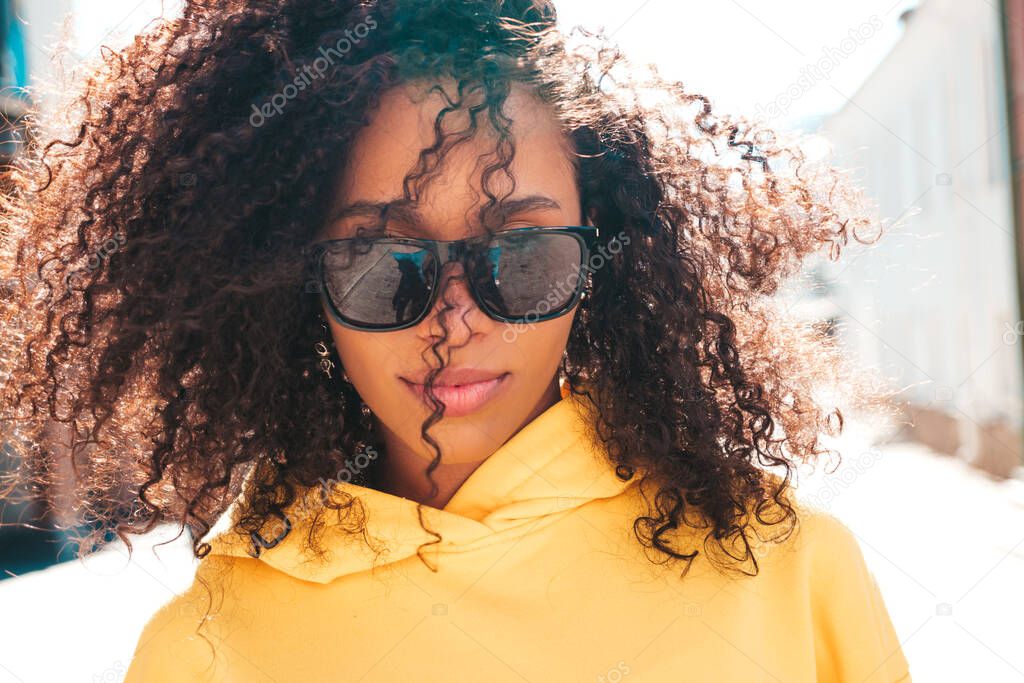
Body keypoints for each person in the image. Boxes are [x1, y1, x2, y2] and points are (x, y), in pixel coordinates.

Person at [0, 0, 911, 680]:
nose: (457, 320)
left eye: (522, 257)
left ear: (611, 258)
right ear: (288, 280)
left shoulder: (786, 572)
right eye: (381, 262)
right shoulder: (208, 652)